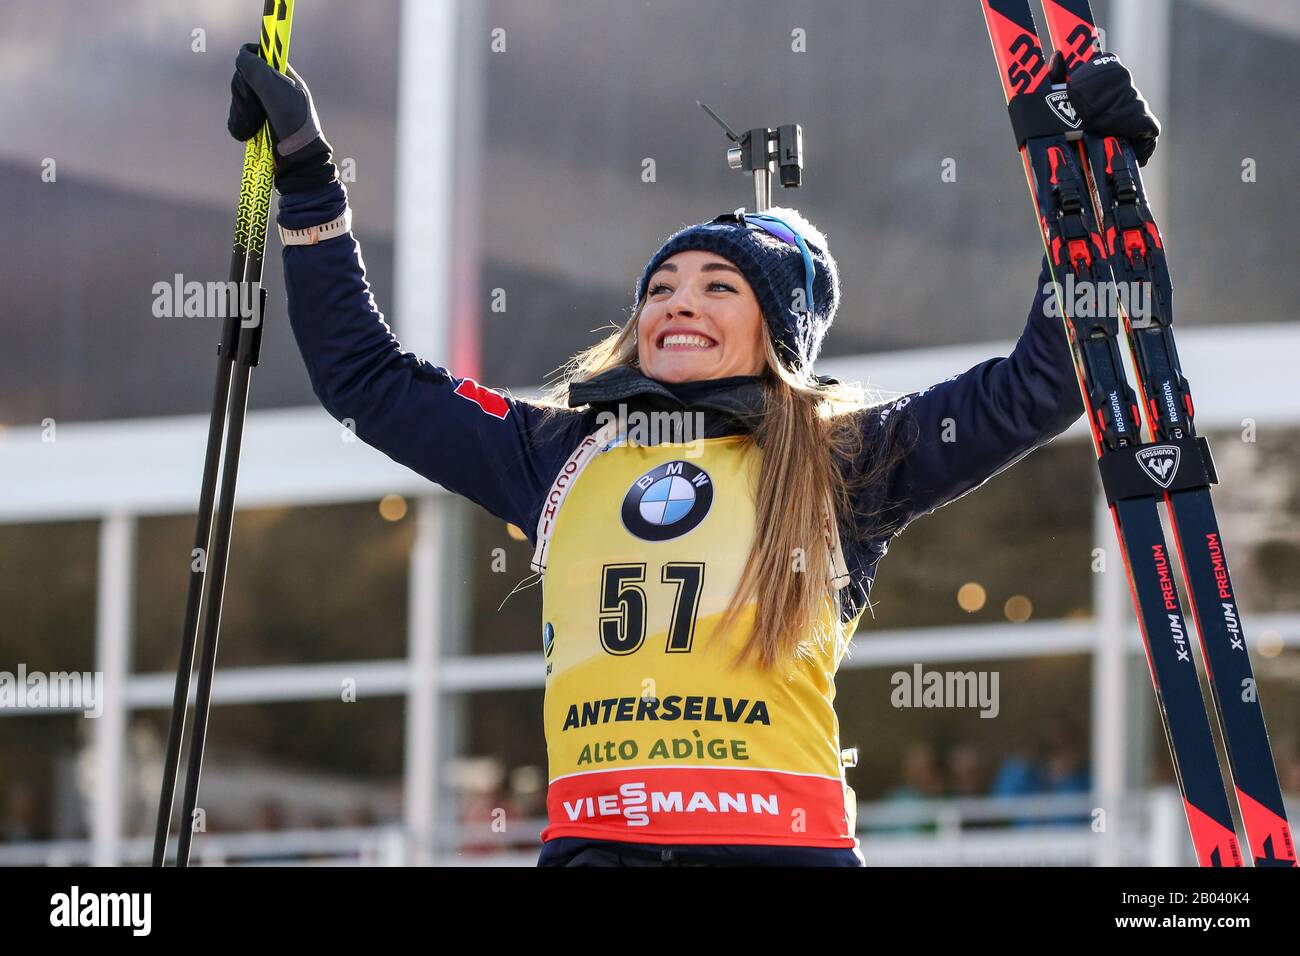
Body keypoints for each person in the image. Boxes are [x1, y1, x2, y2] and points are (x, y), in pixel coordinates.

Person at [226, 45, 1159, 867]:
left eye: (720, 285)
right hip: (598, 848)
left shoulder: (841, 458)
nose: (679, 302)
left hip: (782, 852)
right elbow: (368, 380)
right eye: (662, 286)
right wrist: (309, 180)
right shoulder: (559, 450)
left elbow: (1042, 382)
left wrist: (1091, 199)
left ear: (778, 334)